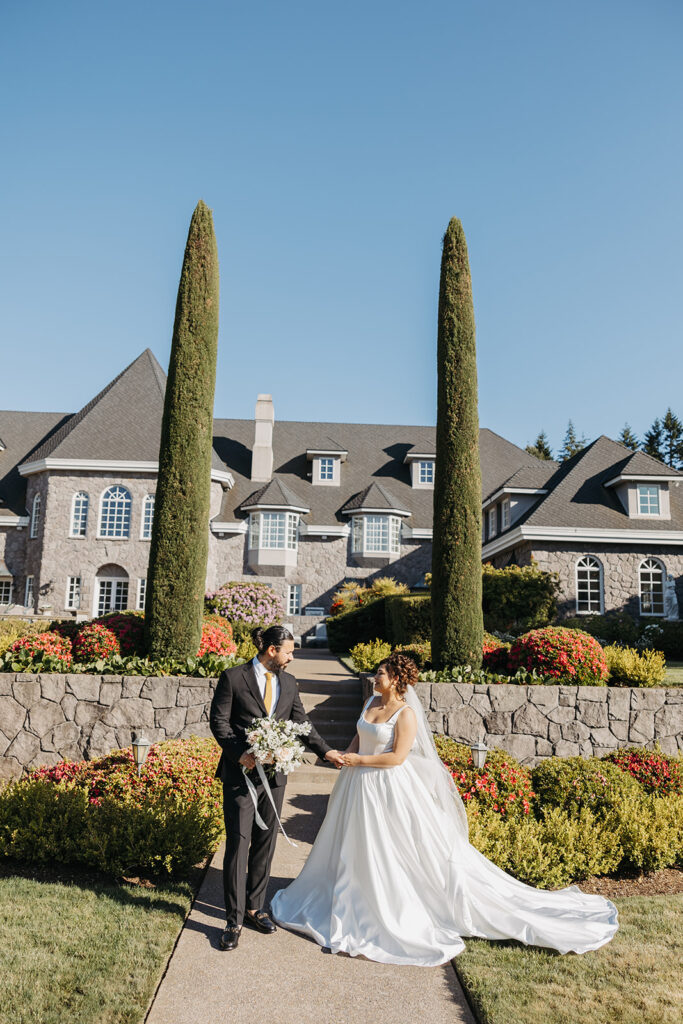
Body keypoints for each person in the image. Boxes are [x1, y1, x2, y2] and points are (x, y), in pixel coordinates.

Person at [271, 652, 618, 966]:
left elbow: (397, 757)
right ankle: (349, 896)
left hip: (387, 787)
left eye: (381, 673)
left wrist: (360, 760)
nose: (375, 677)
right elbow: (358, 738)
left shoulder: (405, 714)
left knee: (387, 847)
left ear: (397, 680)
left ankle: (384, 907)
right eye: (377, 672)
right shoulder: (369, 703)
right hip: (356, 784)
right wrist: (346, 756)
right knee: (351, 843)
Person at [210, 624, 345, 951]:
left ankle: (255, 908)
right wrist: (240, 754)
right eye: (289, 651)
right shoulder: (233, 677)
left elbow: (302, 725)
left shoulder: (289, 682)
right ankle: (233, 920)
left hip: (275, 777)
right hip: (241, 774)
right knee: (239, 844)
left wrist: (325, 751)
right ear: (271, 650)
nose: (292, 657)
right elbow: (219, 721)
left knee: (265, 843)